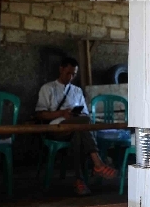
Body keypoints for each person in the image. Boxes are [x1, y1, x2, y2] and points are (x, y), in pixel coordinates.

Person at [35, 56, 117, 195]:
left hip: (75, 128)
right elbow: (40, 114)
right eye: (68, 73)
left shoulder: (77, 91)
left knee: (78, 133)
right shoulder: (48, 88)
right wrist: (62, 113)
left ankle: (79, 181)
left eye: (74, 74)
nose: (71, 76)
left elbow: (85, 114)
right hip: (56, 128)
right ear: (61, 69)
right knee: (82, 125)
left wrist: (75, 115)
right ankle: (97, 163)